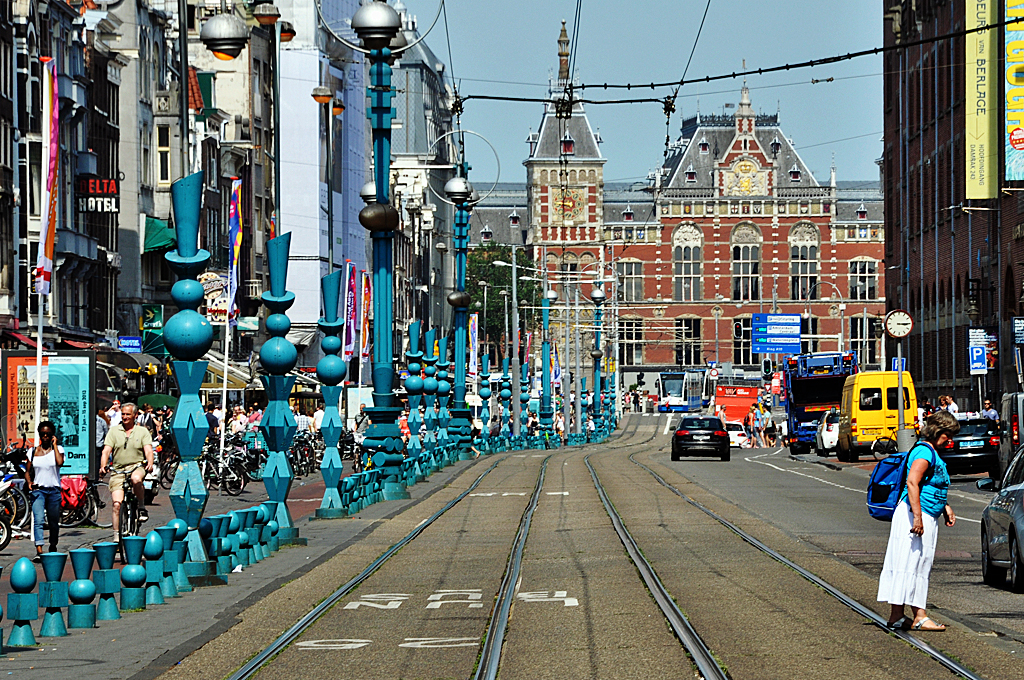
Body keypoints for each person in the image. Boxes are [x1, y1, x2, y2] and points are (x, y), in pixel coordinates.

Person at [877, 410, 958, 632]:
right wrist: (919, 517)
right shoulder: (924, 452)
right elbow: (913, 483)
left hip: (922, 513)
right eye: (947, 434)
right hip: (914, 516)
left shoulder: (929, 451)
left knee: (909, 562)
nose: (950, 439)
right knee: (915, 563)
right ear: (937, 431)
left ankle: (897, 616)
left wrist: (945, 506)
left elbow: (931, 484)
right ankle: (919, 616)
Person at [99, 402, 155, 537]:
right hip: (118, 470)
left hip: (136, 466)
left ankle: (141, 507)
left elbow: (148, 450)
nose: (124, 417)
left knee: (136, 479)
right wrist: (103, 465)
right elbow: (106, 451)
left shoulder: (142, 431)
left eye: (128, 414)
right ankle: (116, 536)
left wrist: (150, 462)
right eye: (123, 414)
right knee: (117, 505)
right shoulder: (114, 431)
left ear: (135, 416)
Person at [26, 421, 64, 560]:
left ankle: (53, 545)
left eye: (48, 434)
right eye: (43, 434)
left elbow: (60, 463)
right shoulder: (33, 451)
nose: (46, 436)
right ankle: (39, 550)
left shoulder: (58, 449)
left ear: (52, 435)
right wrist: (29, 482)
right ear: (39, 435)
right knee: (38, 519)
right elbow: (27, 471)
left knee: (53, 521)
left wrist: (54, 446)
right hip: (38, 491)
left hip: (54, 490)